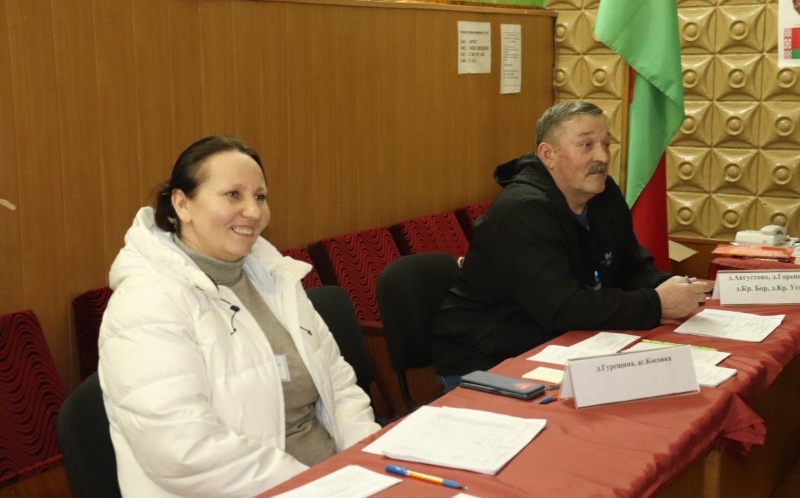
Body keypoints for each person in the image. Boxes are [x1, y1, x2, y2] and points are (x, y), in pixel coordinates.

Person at [98, 136, 380, 496]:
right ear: (182, 204)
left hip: (337, 480)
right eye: (233, 195)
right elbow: (183, 451)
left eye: (260, 197)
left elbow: (337, 381)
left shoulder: (273, 277)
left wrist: (366, 457)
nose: (254, 211)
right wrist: (313, 486)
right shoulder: (146, 304)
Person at [432, 101, 711, 390]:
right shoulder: (521, 211)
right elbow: (562, 307)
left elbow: (630, 269)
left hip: (562, 344)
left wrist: (671, 287)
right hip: (488, 359)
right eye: (587, 145)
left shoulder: (604, 194)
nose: (602, 156)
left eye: (606, 144)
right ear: (548, 154)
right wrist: (655, 303)